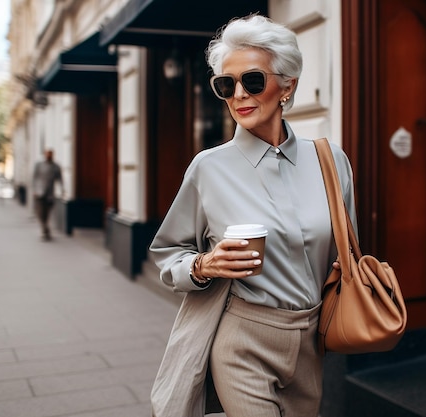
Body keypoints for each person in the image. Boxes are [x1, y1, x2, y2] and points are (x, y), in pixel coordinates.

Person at [149, 15, 358, 417]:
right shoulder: (208, 168)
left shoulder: (330, 161)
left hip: (311, 342)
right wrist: (205, 264)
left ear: (288, 85)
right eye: (226, 85)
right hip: (242, 340)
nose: (239, 94)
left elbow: (345, 250)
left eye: (253, 81)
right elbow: (167, 251)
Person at [32, 149, 63, 241]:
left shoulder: (56, 167)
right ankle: (45, 229)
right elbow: (34, 178)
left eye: (50, 154)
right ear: (45, 155)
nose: (49, 156)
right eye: (47, 154)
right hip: (39, 193)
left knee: (47, 213)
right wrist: (34, 190)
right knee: (40, 213)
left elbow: (60, 179)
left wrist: (62, 190)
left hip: (50, 194)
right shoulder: (39, 165)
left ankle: (45, 230)